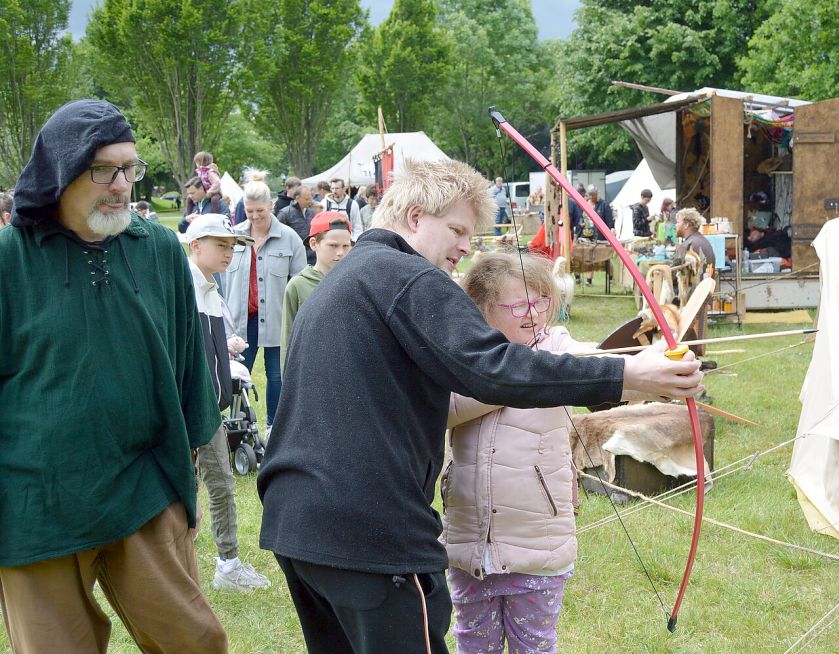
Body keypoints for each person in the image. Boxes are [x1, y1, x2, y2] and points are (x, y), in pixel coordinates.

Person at [256, 158, 704, 654]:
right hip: (369, 534)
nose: (466, 246)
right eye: (457, 229)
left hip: (297, 524)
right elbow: (492, 367)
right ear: (415, 217)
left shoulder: (349, 278)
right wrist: (626, 374)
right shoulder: (405, 276)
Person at [0, 99, 226, 652]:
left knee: (195, 642)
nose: (122, 184)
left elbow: (188, 369)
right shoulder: (10, 260)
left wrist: (184, 485)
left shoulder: (160, 252)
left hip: (141, 490)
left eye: (130, 168)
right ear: (62, 169)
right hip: (35, 504)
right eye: (104, 169)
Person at [443, 251, 608, 654]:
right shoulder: (463, 359)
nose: (534, 314)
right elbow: (446, 408)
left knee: (533, 644)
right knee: (473, 641)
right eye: (519, 304)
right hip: (470, 541)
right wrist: (513, 376)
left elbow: (596, 364)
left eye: (542, 302)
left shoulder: (555, 346)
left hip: (538, 541)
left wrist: (648, 367)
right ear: (481, 307)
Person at [183, 214, 273, 592]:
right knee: (183, 495)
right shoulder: (182, 287)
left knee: (220, 485)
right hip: (185, 412)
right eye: (220, 244)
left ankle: (228, 564)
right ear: (195, 245)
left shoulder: (210, 287)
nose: (229, 253)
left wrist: (229, 363)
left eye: (232, 246)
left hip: (209, 408)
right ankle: (183, 571)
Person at [224, 170, 306, 436]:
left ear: (271, 205)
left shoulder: (290, 238)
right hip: (240, 322)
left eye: (260, 210)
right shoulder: (232, 236)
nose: (255, 216)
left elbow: (300, 282)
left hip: (277, 319)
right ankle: (237, 427)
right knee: (237, 376)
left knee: (277, 375)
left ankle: (275, 429)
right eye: (249, 211)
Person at [280, 211, 352, 370]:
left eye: (346, 246)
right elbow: (288, 339)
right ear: (314, 244)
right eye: (333, 245)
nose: (340, 252)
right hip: (310, 370)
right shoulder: (297, 286)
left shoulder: (354, 283)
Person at [276, 184, 316, 263]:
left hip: (312, 256)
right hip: (295, 257)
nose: (310, 201)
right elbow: (278, 236)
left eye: (310, 198)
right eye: (307, 199)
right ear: (297, 198)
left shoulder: (311, 212)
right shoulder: (285, 213)